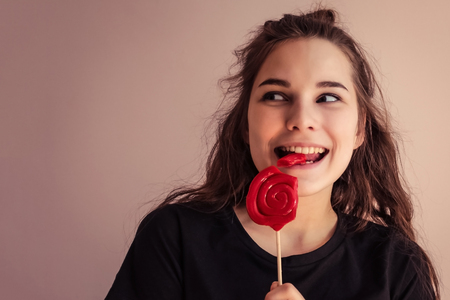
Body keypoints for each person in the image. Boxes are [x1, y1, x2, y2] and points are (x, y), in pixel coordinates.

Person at [105, 8, 440, 300]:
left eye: (327, 98)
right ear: (246, 125)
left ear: (358, 129)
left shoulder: (397, 265)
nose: (301, 120)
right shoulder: (176, 238)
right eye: (277, 96)